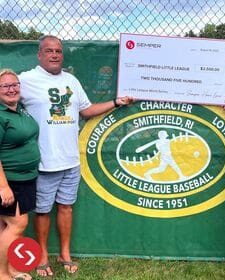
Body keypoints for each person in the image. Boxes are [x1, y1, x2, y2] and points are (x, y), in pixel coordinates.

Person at [19, 35, 133, 277]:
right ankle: (41, 256)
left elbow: (87, 110)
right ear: (39, 55)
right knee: (42, 211)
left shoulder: (70, 80)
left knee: (66, 207)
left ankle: (64, 254)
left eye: (58, 51)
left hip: (71, 161)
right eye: (49, 51)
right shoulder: (25, 80)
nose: (54, 55)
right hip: (44, 162)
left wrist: (116, 102)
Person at [0, 69, 40, 280]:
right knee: (18, 224)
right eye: (5, 86)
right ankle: (1, 274)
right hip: (9, 180)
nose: (11, 89)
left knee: (4, 225)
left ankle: (10, 269)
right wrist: (3, 186)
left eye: (14, 84)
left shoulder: (20, 109)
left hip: (25, 178)